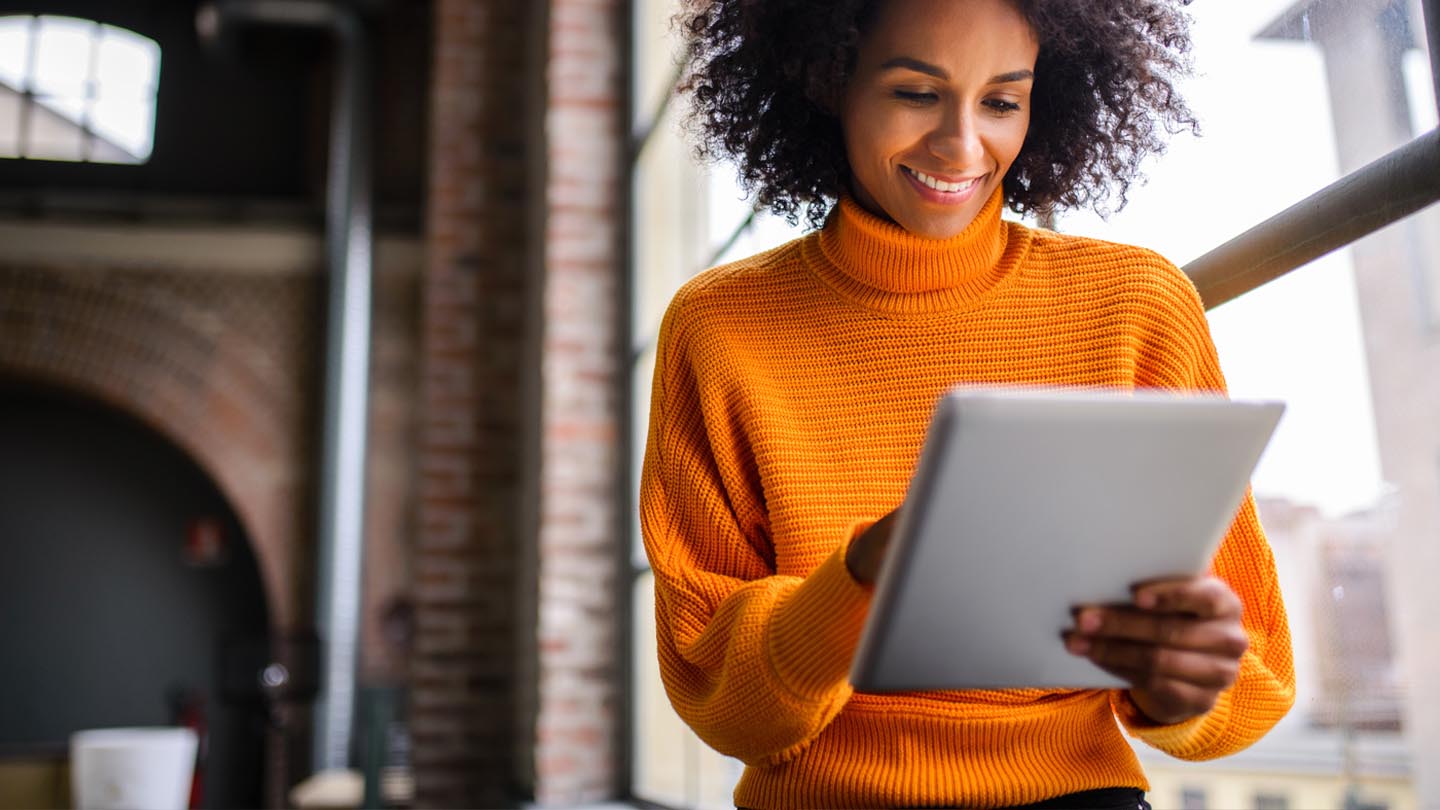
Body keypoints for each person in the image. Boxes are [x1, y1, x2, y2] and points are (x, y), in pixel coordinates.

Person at [638, 0, 1296, 807]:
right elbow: (719, 697)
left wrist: (1184, 688)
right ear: (825, 82)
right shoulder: (721, 325)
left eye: (1001, 101)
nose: (961, 145)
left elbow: (1255, 678)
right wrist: (860, 577)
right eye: (916, 93)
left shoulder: (1134, 304)